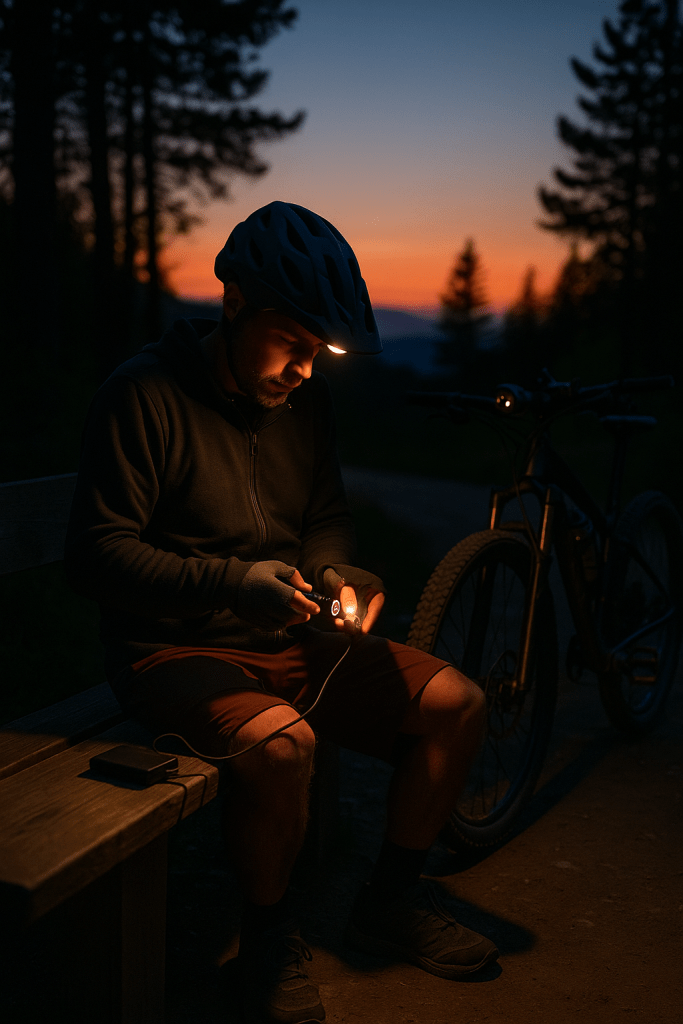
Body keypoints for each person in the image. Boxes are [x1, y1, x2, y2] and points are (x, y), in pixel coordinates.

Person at [65, 201, 498, 1024]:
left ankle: (388, 901)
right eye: (291, 343)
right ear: (233, 303)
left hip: (291, 636)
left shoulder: (307, 405)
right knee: (282, 745)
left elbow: (324, 516)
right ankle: (266, 940)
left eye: (317, 352)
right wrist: (232, 584)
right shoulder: (142, 394)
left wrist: (336, 570)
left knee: (458, 704)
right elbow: (95, 556)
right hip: (172, 650)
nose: (303, 370)